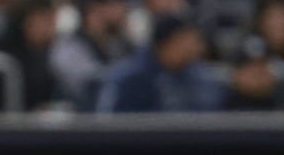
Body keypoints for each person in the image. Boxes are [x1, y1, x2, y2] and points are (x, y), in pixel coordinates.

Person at [94, 11, 223, 114]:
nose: (197, 46)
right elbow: (111, 124)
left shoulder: (198, 74)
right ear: (171, 41)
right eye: (190, 39)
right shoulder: (130, 77)